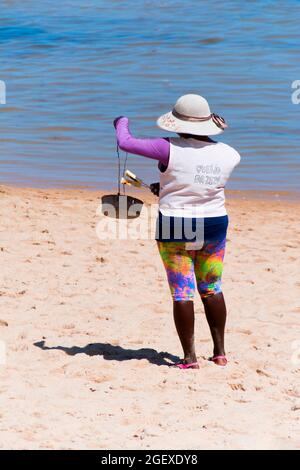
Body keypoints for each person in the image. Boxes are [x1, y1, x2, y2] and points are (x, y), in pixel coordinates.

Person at [114, 94, 240, 369]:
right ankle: (219, 353)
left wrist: (121, 121)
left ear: (176, 123)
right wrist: (168, 188)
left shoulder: (166, 148)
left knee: (183, 292)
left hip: (176, 225)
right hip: (214, 224)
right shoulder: (231, 154)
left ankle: (189, 358)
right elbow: (201, 183)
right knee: (211, 287)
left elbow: (125, 142)